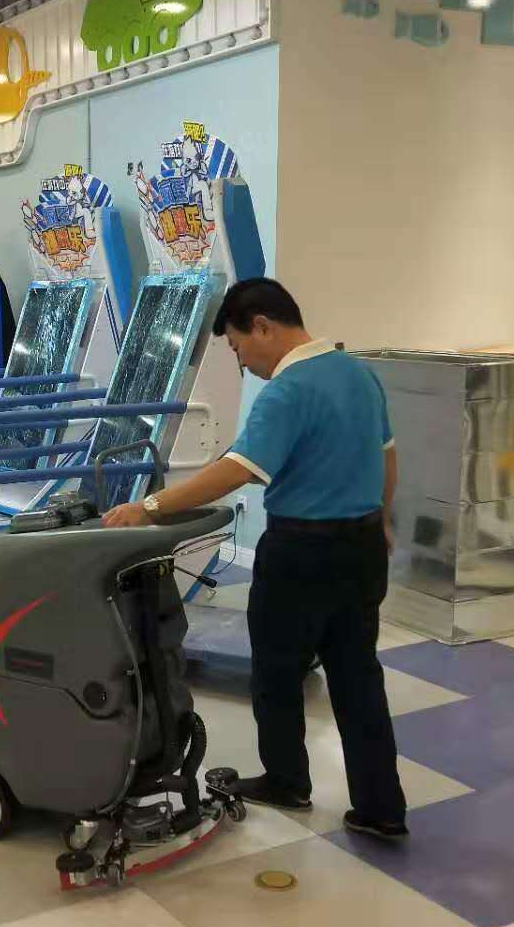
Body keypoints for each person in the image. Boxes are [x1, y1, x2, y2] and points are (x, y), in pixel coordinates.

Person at [104, 276, 407, 840]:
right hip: (363, 549)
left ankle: (288, 781)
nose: (243, 362)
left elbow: (236, 469)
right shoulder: (358, 374)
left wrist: (150, 506)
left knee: (277, 671)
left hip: (301, 554)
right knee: (358, 677)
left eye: (239, 347)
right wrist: (384, 520)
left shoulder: (288, 391)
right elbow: (388, 458)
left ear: (262, 326)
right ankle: (381, 809)